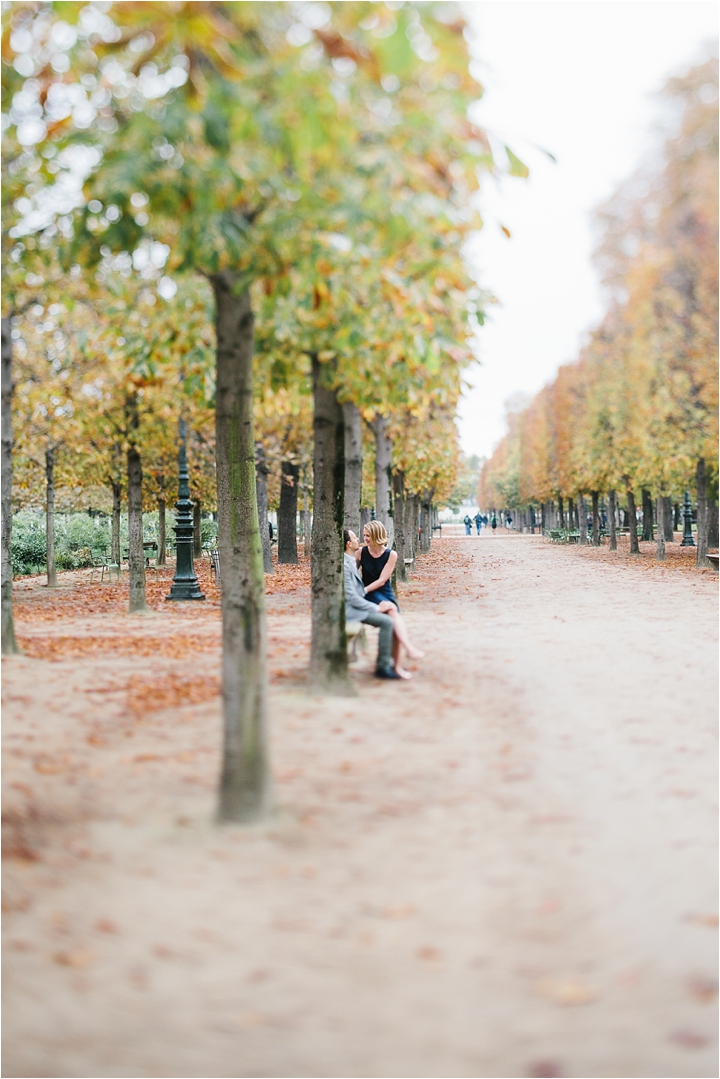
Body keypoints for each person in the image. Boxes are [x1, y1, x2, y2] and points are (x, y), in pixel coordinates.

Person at [356, 521, 424, 674]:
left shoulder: (391, 554)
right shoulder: (361, 553)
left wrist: (363, 590)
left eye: (368, 535)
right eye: (364, 535)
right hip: (368, 594)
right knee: (393, 615)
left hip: (383, 591)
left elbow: (382, 580)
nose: (365, 538)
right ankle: (406, 652)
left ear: (377, 535)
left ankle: (396, 664)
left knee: (393, 619)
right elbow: (352, 575)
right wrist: (360, 592)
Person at [344, 530, 401, 680]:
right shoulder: (346, 564)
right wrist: (376, 608)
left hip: (364, 601)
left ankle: (392, 663)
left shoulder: (350, 560)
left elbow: (380, 581)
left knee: (392, 616)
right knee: (387, 621)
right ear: (349, 543)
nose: (360, 539)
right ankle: (383, 666)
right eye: (356, 537)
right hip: (350, 610)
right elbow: (351, 596)